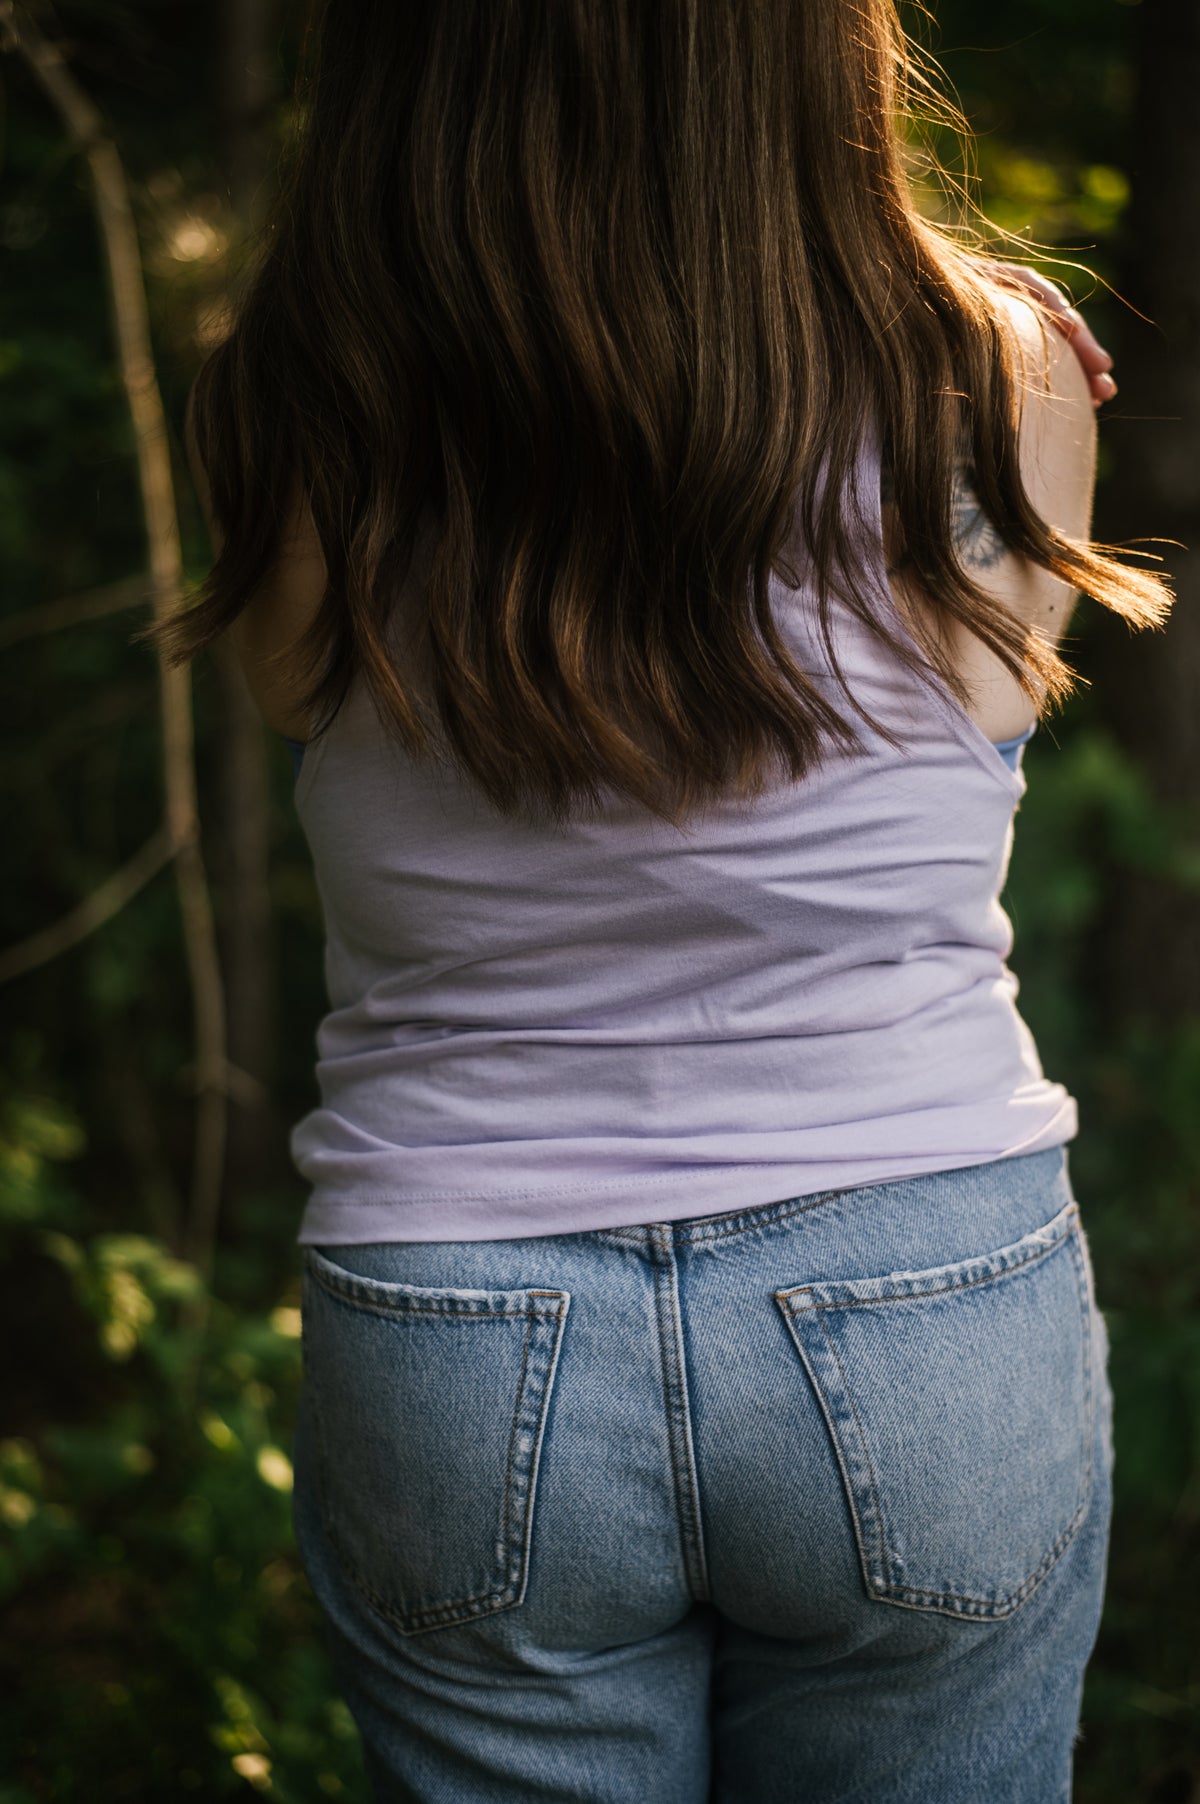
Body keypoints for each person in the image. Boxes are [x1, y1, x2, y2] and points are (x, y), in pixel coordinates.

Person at [160, 1, 1173, 1798]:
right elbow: (988, 731)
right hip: (920, 1262)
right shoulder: (1001, 365)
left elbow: (290, 691)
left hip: (462, 1299)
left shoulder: (285, 402)